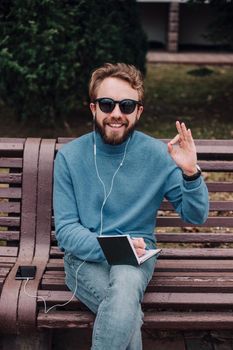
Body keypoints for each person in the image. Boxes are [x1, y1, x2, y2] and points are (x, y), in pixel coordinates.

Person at [53, 62, 209, 350]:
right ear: (93, 108)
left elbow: (196, 216)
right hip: (84, 258)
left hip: (136, 258)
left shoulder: (158, 155)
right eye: (107, 104)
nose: (116, 114)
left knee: (124, 286)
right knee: (126, 311)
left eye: (126, 105)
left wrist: (190, 173)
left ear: (138, 111)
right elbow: (66, 231)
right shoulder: (69, 157)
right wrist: (114, 245)